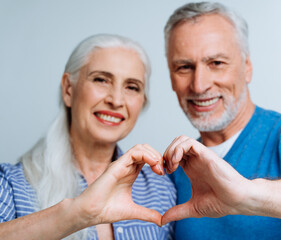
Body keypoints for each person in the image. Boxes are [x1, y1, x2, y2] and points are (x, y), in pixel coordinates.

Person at [161, 2, 281, 240]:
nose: (199, 85)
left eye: (216, 63)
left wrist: (248, 196)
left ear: (247, 67)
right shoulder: (174, 170)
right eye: (184, 67)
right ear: (171, 79)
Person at [0, 34, 176, 239]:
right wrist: (76, 214)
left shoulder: (161, 191)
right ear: (68, 89)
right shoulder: (10, 185)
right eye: (101, 80)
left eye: (132, 87)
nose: (116, 100)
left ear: (142, 102)